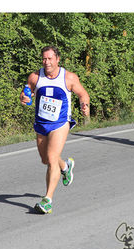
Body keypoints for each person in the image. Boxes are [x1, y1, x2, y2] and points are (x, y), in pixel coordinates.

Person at [20, 45, 90, 214]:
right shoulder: (35, 77)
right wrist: (24, 98)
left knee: (51, 158)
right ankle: (65, 167)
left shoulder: (69, 77)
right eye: (44, 58)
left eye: (50, 58)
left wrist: (84, 105)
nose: (47, 62)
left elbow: (83, 94)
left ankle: (47, 200)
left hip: (60, 123)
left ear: (57, 59)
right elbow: (26, 92)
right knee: (46, 159)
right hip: (41, 123)